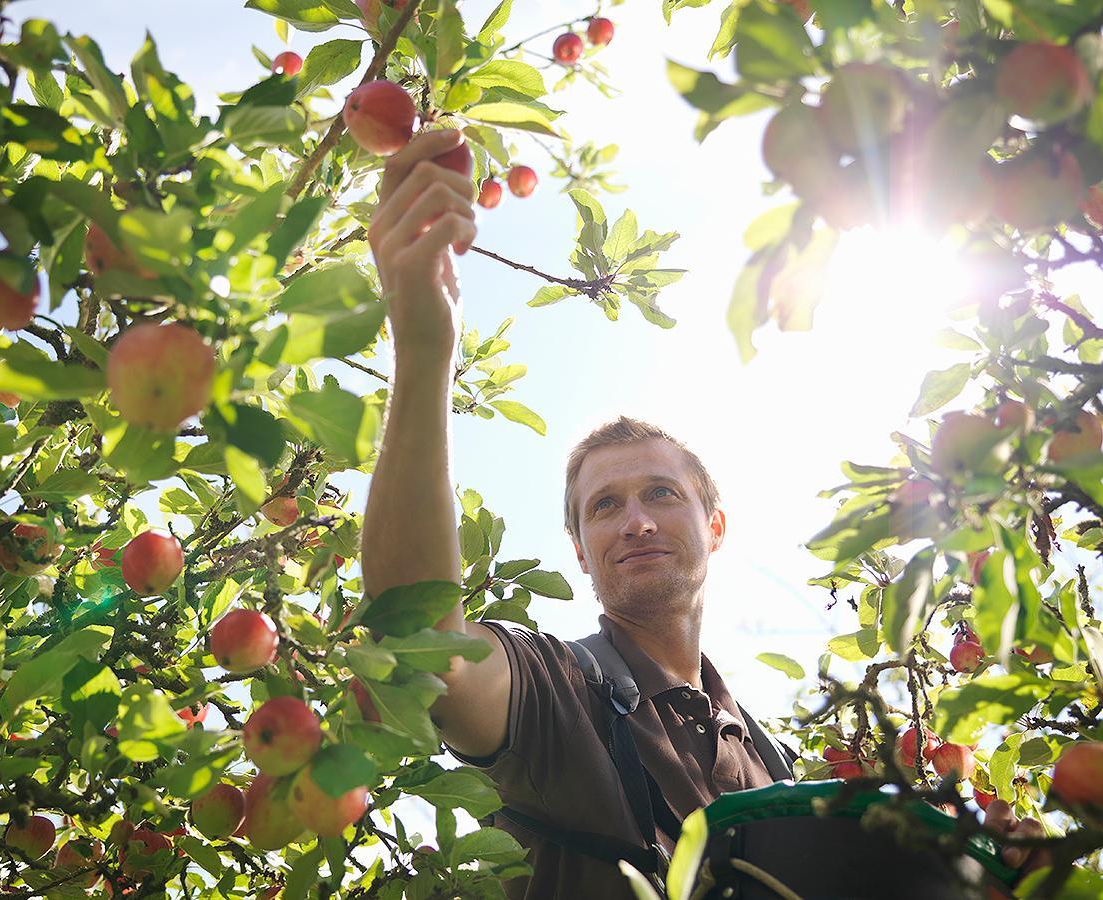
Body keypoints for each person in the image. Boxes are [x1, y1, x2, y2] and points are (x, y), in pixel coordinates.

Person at [360, 129, 1052, 899]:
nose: (637, 521)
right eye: (605, 506)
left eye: (661, 493)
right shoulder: (559, 691)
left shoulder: (767, 760)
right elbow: (421, 643)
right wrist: (425, 351)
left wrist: (979, 874)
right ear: (581, 552)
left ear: (714, 527)